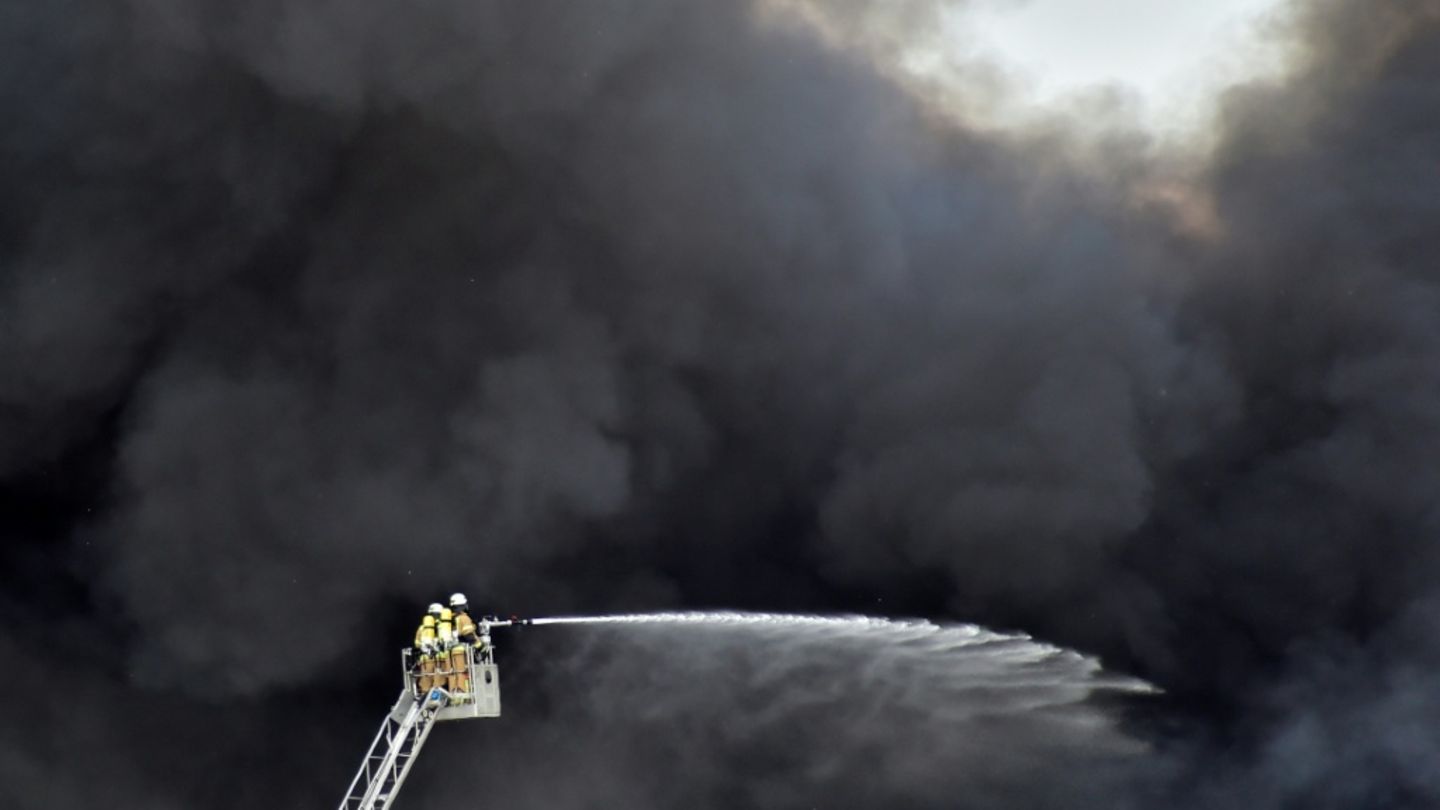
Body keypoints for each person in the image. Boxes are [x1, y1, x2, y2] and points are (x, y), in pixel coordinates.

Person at [448, 593, 481, 699]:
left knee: (453, 674)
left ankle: (454, 696)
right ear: (463, 604)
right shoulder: (463, 618)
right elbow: (468, 634)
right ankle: (463, 696)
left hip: (449, 652)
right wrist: (479, 646)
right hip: (461, 651)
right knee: (463, 673)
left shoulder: (449, 619)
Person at [412, 604, 442, 697]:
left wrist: (424, 648)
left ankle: (425, 696)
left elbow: (417, 643)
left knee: (426, 680)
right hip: (440, 658)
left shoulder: (422, 628)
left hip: (425, 658)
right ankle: (437, 696)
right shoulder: (442, 626)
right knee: (439, 680)